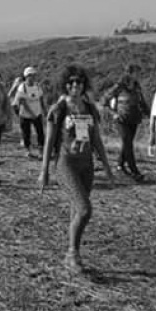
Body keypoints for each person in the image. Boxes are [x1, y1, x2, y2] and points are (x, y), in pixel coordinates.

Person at [38, 65, 116, 273]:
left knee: (76, 210)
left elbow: (97, 139)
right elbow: (49, 141)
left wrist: (106, 166)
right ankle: (72, 254)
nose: (75, 86)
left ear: (84, 84)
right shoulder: (59, 109)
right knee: (84, 209)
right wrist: (44, 171)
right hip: (66, 164)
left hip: (86, 164)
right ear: (65, 84)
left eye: (79, 82)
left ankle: (73, 252)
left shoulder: (89, 108)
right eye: (71, 82)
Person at [103, 63, 149, 181]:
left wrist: (149, 114)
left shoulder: (137, 86)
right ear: (130, 73)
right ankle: (135, 172)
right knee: (128, 142)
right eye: (137, 72)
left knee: (127, 143)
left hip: (134, 119)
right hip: (121, 120)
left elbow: (141, 102)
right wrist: (114, 114)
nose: (139, 75)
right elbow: (105, 101)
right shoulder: (119, 86)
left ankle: (120, 165)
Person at [13, 66, 46, 158]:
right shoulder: (22, 87)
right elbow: (23, 103)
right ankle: (28, 150)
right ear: (26, 76)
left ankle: (41, 151)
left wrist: (44, 111)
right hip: (25, 115)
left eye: (34, 75)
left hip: (37, 113)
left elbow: (41, 99)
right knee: (26, 133)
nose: (33, 77)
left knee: (40, 133)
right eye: (30, 75)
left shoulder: (37, 86)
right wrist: (32, 114)